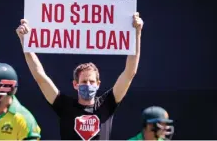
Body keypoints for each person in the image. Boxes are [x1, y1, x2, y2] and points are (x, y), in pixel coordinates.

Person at [16, 12, 144, 140]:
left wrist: (137, 33)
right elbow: (40, 77)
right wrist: (24, 41)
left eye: (92, 81)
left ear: (98, 84)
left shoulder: (107, 104)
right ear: (75, 84)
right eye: (84, 81)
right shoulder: (65, 106)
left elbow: (129, 73)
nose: (88, 85)